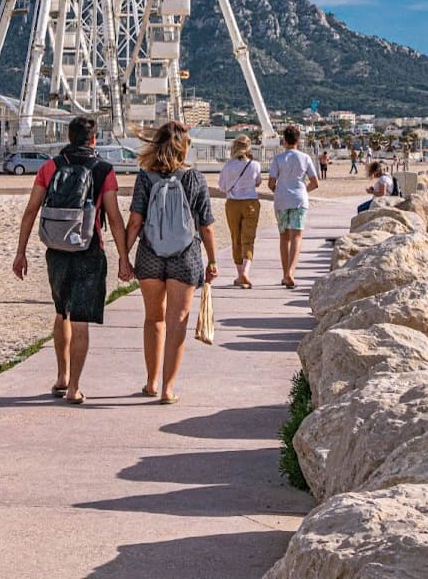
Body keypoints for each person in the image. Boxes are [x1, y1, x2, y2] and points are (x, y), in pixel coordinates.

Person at [12, 117, 131, 405]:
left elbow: (30, 211)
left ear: (68, 136)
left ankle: (61, 375)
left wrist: (21, 251)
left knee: (61, 312)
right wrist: (124, 258)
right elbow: (114, 218)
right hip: (89, 250)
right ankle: (74, 387)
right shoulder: (104, 170)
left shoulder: (49, 167)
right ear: (93, 140)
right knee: (80, 320)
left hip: (56, 250)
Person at [126, 121, 217, 405]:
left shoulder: (144, 178)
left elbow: (135, 221)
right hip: (186, 256)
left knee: (153, 318)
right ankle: (168, 388)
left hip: (150, 255)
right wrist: (212, 260)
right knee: (177, 321)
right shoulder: (195, 179)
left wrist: (123, 256)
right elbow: (206, 226)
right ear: (184, 146)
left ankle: (151, 382)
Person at [269, 125, 317, 288]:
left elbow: (271, 182)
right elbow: (315, 182)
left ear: (284, 141)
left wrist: (279, 190)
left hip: (281, 199)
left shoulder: (278, 159)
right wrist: (304, 190)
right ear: (298, 141)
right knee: (296, 236)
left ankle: (285, 274)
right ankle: (291, 272)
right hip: (299, 199)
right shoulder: (305, 158)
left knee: (284, 237)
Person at [217, 133, 262, 288]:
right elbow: (258, 183)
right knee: (248, 239)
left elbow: (222, 187)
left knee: (235, 238)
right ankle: (246, 272)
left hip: (233, 204)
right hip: (250, 203)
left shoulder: (228, 166)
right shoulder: (254, 165)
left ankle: (239, 273)